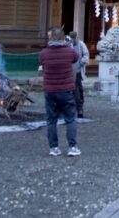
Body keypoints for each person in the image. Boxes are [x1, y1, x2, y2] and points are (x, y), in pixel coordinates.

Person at [40, 27, 82, 156]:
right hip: (66, 89)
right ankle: (72, 147)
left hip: (50, 90)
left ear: (50, 38)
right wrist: (69, 45)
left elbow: (42, 63)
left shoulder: (44, 53)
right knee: (70, 119)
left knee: (51, 120)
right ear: (63, 38)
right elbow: (76, 58)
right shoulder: (69, 51)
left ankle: (54, 148)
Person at [67, 30, 90, 118]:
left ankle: (79, 108)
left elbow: (86, 55)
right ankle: (74, 108)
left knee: (77, 89)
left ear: (77, 37)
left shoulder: (81, 44)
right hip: (69, 70)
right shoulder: (67, 44)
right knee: (72, 89)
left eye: (74, 37)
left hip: (78, 70)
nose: (73, 39)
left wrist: (81, 62)